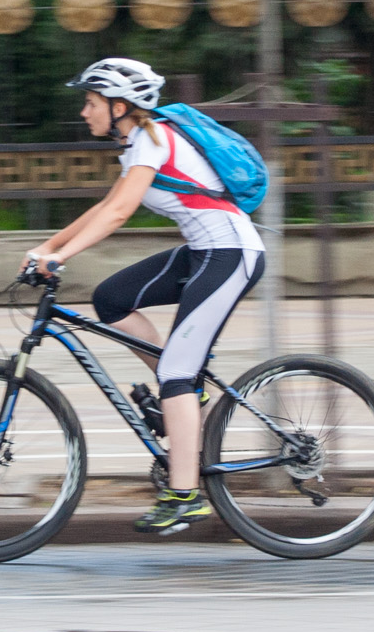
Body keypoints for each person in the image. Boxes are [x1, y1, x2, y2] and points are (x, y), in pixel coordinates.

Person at [24, 57, 264, 536]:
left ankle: (184, 496)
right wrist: (48, 248)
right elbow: (106, 206)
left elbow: (118, 215)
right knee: (111, 300)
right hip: (204, 253)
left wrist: (60, 257)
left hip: (231, 254)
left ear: (119, 106)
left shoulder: (155, 141)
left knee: (175, 373)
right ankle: (187, 391)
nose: (84, 112)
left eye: (91, 102)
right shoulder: (138, 145)